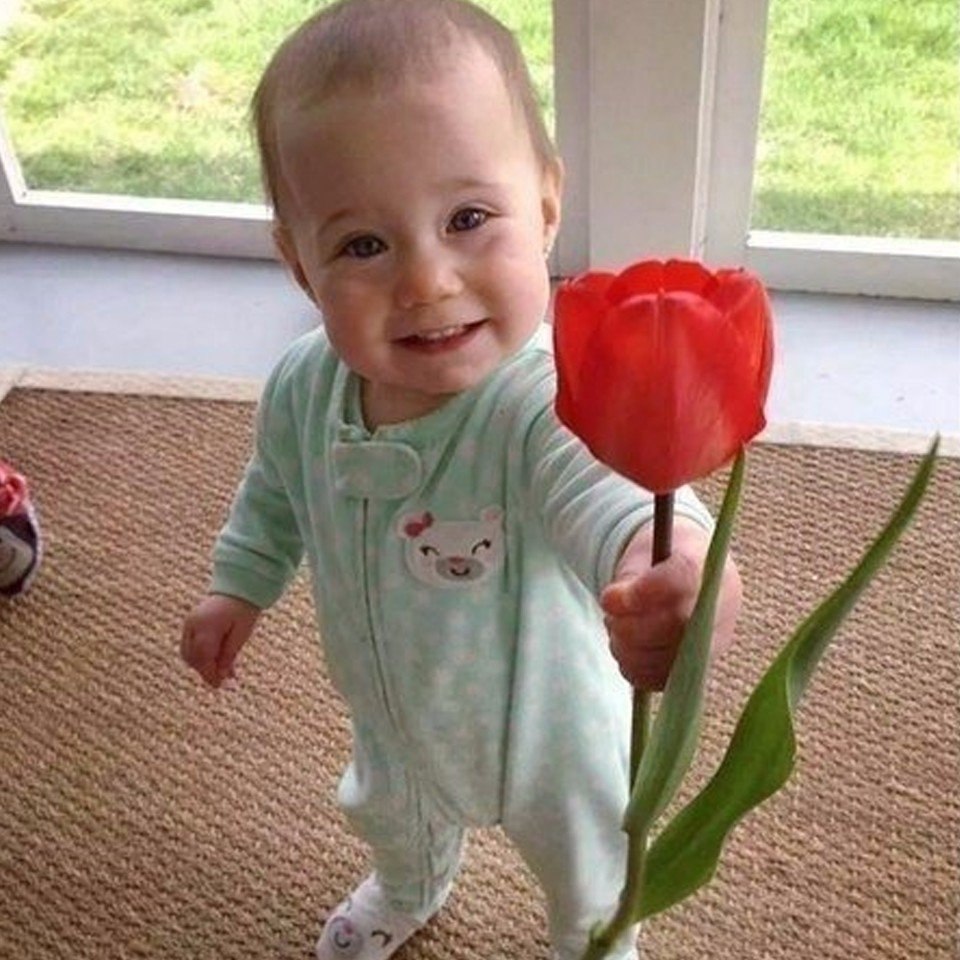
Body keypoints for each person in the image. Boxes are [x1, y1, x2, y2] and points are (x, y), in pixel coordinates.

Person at [180, 2, 743, 958]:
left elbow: (613, 492)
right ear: (299, 264)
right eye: (363, 245)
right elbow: (276, 490)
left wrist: (681, 566)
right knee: (388, 811)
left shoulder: (546, 400)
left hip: (548, 735)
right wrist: (238, 585)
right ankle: (412, 882)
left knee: (592, 869)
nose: (426, 281)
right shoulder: (303, 386)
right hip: (389, 703)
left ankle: (596, 946)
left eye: (468, 220)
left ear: (547, 210)